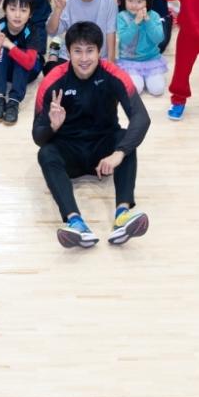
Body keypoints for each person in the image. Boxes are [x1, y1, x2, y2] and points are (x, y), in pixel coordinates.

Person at [34, 23, 152, 249]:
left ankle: (122, 216)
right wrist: (52, 126)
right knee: (46, 153)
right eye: (77, 51)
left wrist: (118, 154)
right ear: (68, 53)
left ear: (99, 52)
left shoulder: (113, 74)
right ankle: (76, 223)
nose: (84, 58)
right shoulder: (52, 80)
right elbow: (38, 137)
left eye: (90, 51)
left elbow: (141, 118)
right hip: (69, 152)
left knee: (126, 138)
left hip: (103, 152)